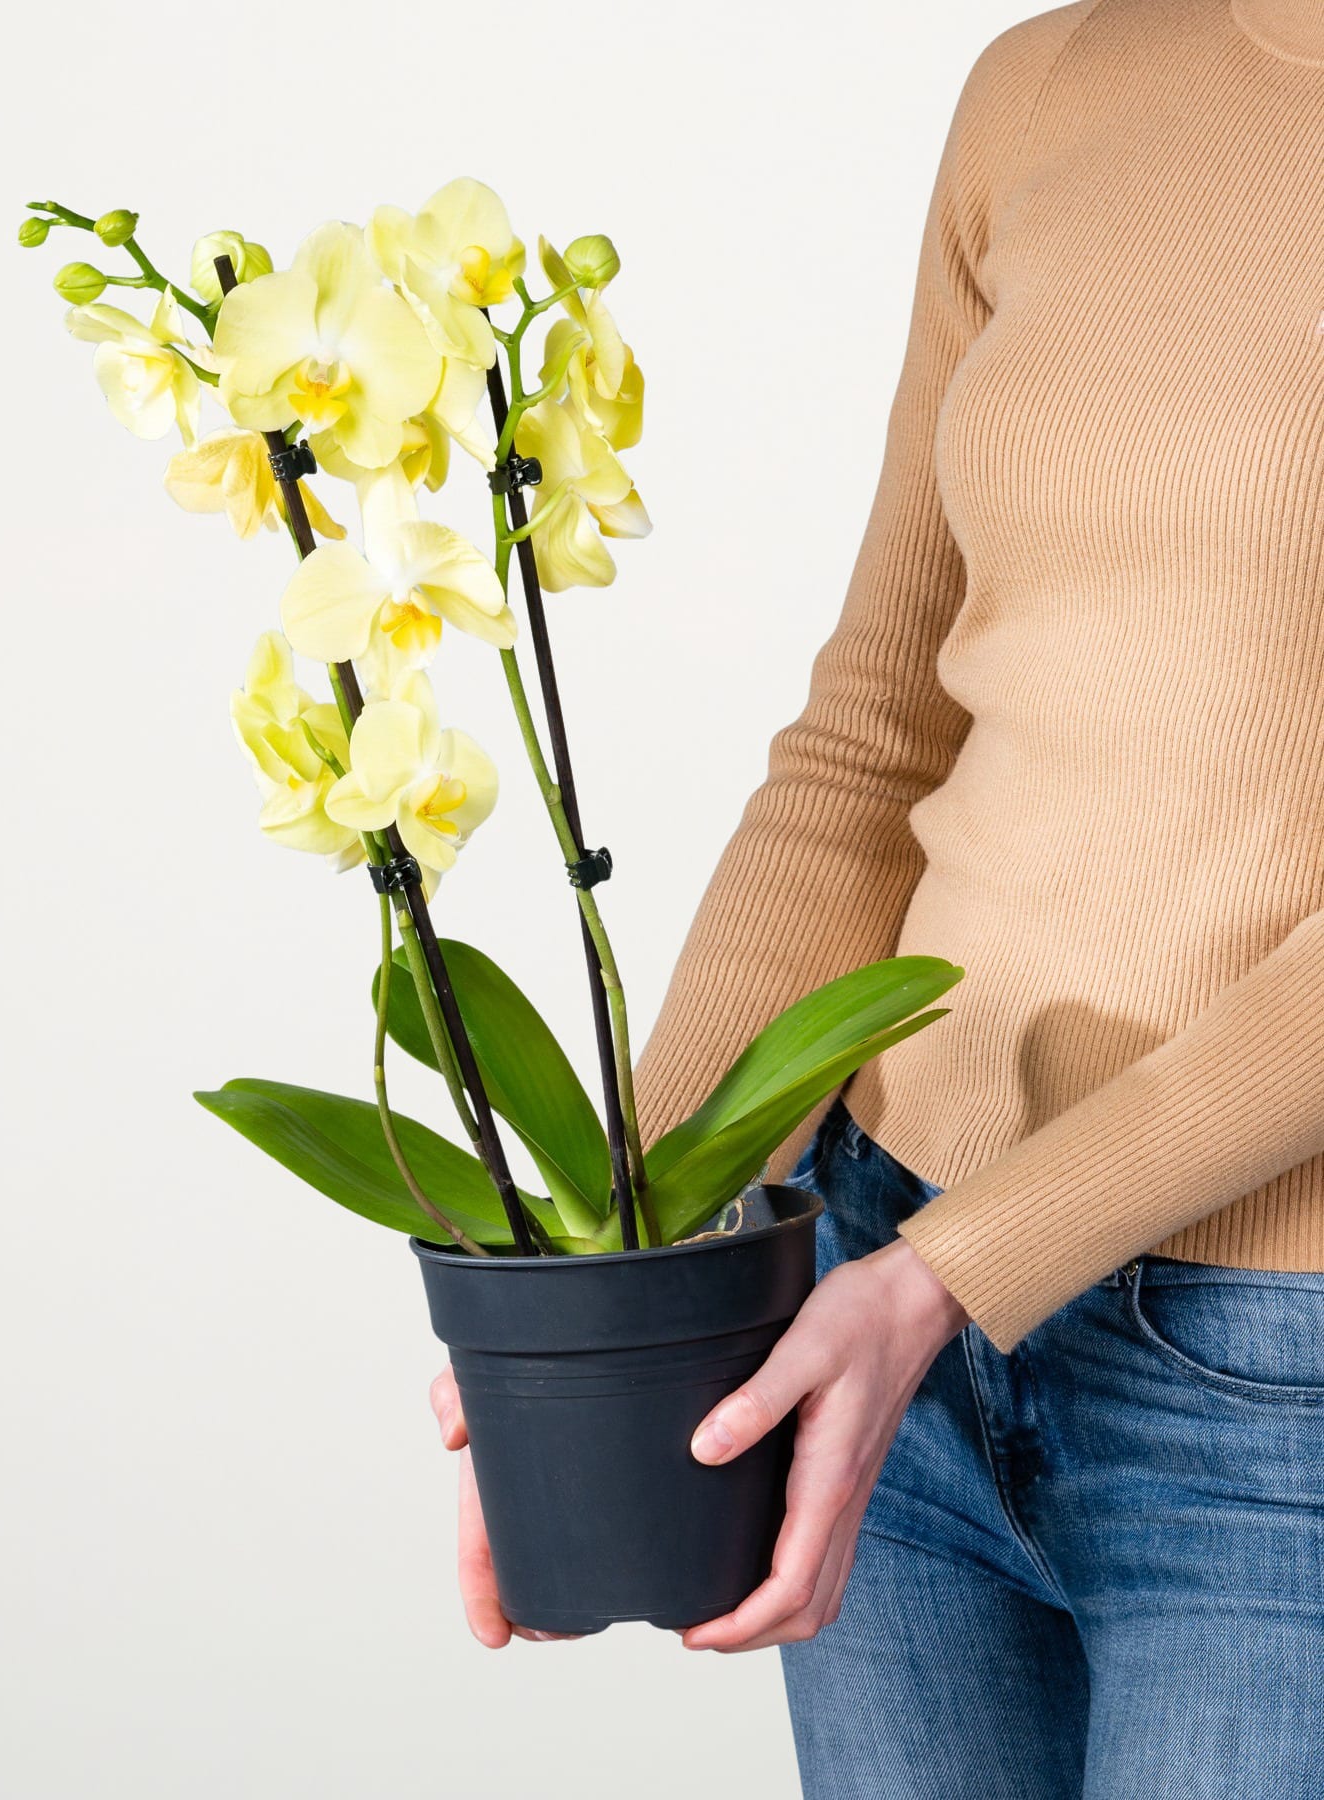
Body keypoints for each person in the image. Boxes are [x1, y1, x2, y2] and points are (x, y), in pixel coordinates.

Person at [428, 2, 1324, 1792]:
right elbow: (869, 748)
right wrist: (621, 1260)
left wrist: (952, 1277)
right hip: (879, 1297)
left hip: (1269, 1406)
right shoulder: (1054, 86)